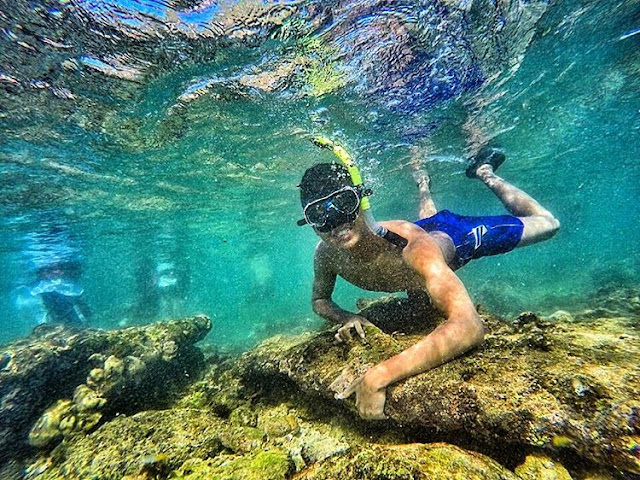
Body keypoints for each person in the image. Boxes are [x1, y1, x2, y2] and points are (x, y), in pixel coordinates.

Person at [297, 139, 559, 420]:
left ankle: (485, 172)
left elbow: (469, 326)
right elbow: (320, 300)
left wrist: (381, 374)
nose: (335, 222)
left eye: (343, 203)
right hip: (418, 238)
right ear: (309, 223)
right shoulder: (326, 255)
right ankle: (424, 185)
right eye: (319, 214)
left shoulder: (415, 250)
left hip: (453, 236)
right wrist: (348, 316)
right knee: (427, 220)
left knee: (549, 224)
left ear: (361, 200)